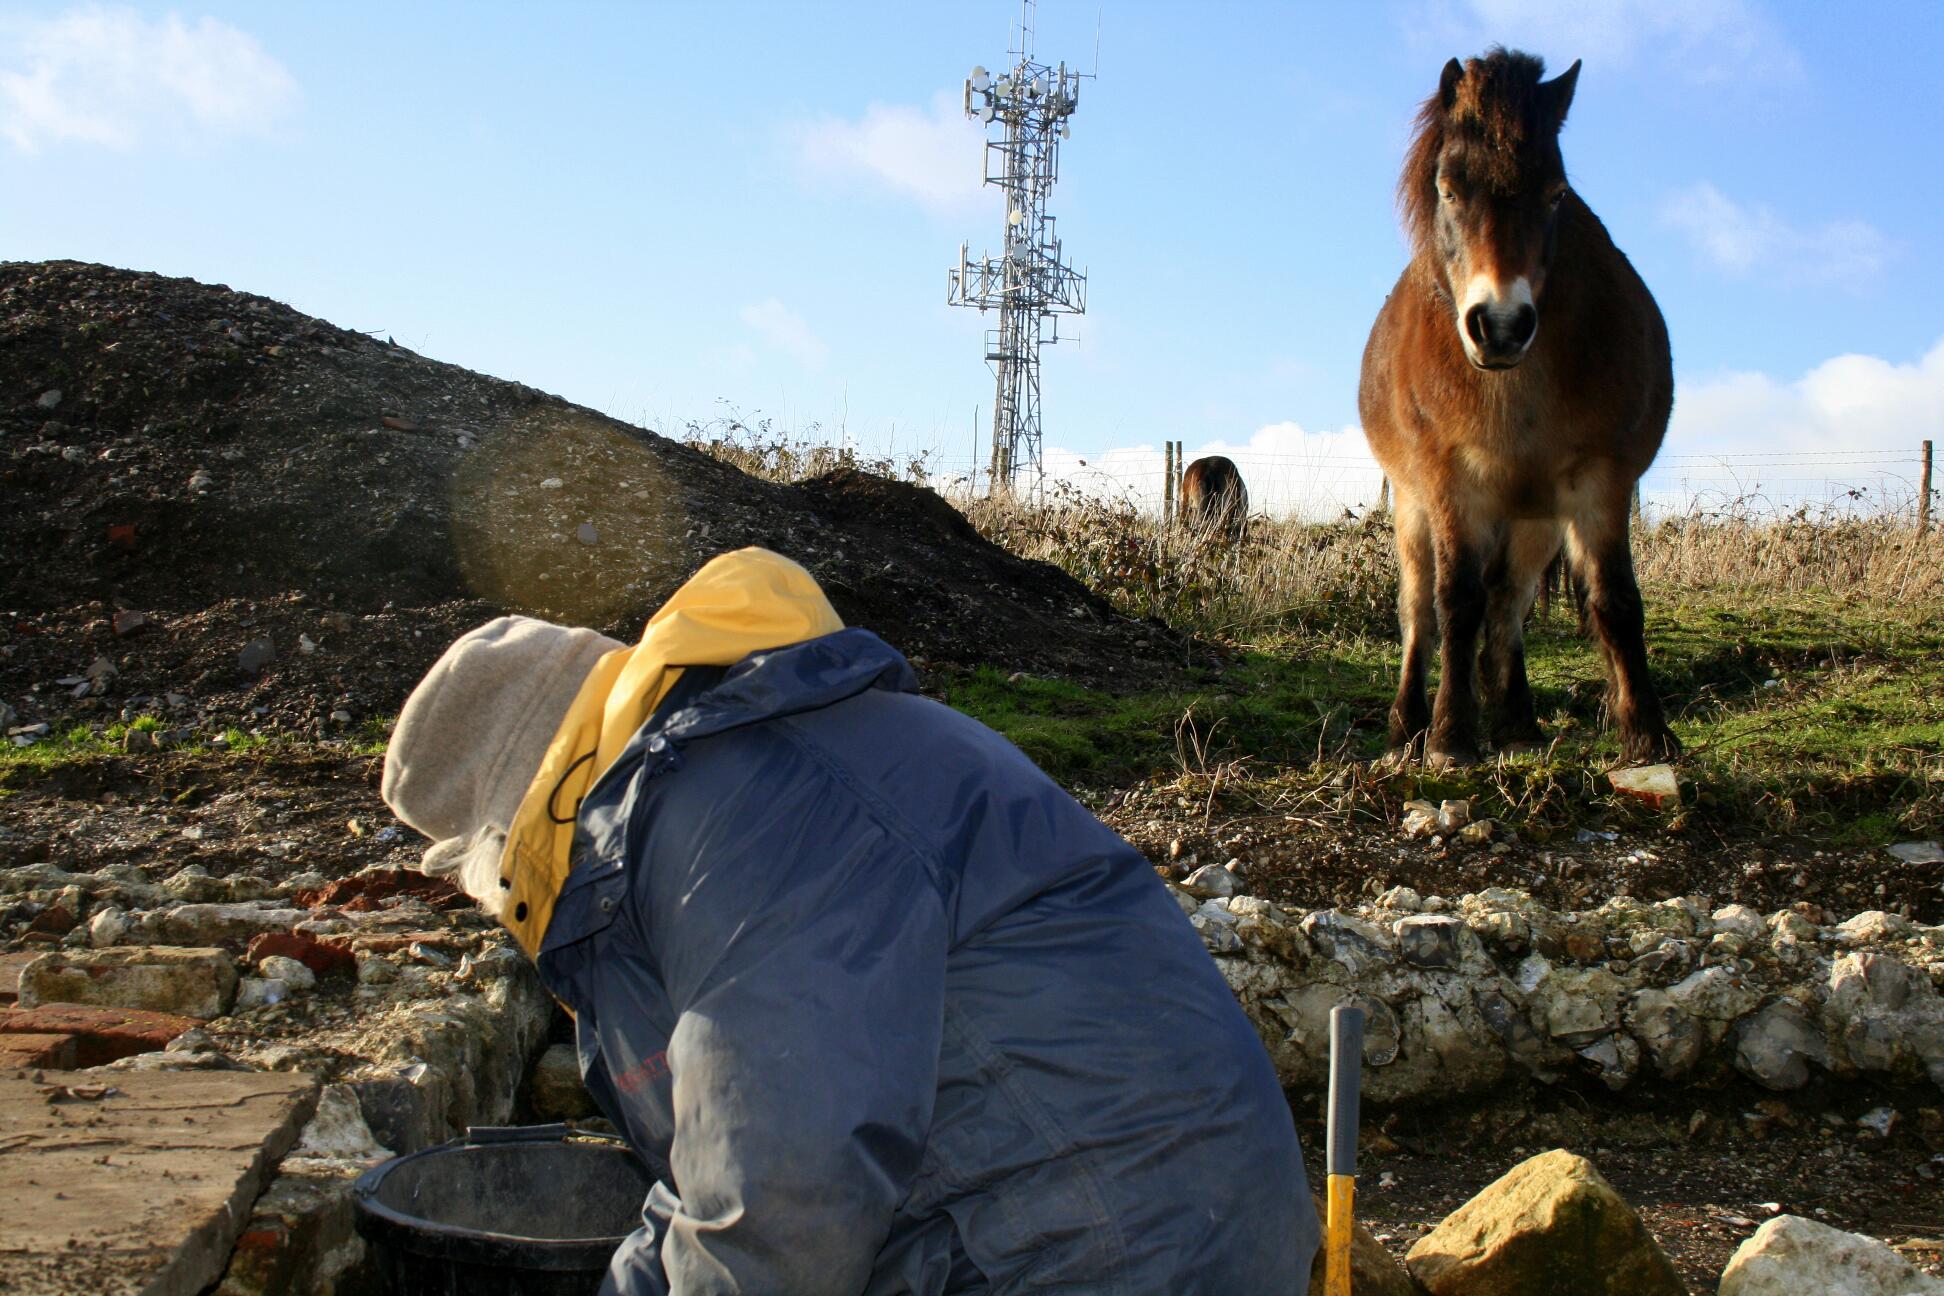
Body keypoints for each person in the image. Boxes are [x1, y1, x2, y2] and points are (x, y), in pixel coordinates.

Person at [381, 546, 1317, 1295]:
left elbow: (782, 1196)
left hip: (1106, 1249)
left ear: (519, 824)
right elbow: (716, 1162)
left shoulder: (739, 811)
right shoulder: (728, 771)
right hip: (1112, 1219)